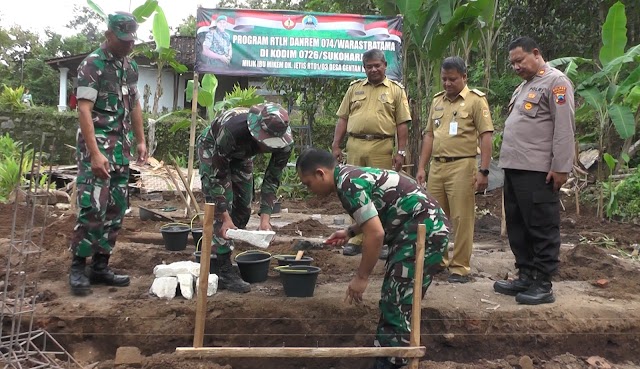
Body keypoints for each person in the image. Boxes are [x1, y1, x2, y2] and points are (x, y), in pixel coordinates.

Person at [296, 148, 449, 369]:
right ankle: (388, 358)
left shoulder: (348, 185)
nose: (309, 190)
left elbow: (376, 234)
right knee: (395, 298)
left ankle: (392, 363)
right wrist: (349, 232)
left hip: (423, 230)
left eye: (308, 183)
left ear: (321, 174)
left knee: (397, 301)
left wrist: (361, 277)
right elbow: (377, 209)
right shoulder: (348, 176)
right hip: (417, 228)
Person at [69, 12, 147, 296]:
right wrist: (94, 153)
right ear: (109, 35)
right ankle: (78, 267)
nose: (128, 45)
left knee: (115, 208)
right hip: (98, 150)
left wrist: (140, 140)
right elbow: (84, 109)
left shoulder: (131, 66)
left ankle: (101, 266)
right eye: (123, 40)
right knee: (92, 206)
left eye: (131, 40)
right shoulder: (92, 65)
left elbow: (135, 105)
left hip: (121, 150)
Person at [494, 37, 575, 305]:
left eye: (520, 60)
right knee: (518, 225)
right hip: (515, 168)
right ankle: (526, 274)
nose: (516, 66)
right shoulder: (524, 86)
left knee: (541, 226)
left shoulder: (556, 82)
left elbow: (564, 128)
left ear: (536, 53)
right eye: (513, 63)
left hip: (538, 171)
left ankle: (543, 282)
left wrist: (561, 167)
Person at [198, 102, 293, 293]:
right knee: (222, 208)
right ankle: (223, 269)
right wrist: (224, 216)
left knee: (242, 209)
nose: (267, 148)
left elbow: (272, 179)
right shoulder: (232, 130)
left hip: (242, 155)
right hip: (214, 149)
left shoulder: (284, 142)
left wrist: (265, 219)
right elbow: (218, 176)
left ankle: (223, 250)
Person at [415, 56, 494, 284]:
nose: (447, 84)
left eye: (452, 79)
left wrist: (484, 170)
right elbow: (429, 135)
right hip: (437, 167)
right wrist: (422, 166)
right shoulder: (437, 101)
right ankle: (439, 261)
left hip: (463, 165)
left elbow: (486, 135)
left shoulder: (476, 101)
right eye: (444, 79)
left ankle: (459, 266)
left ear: (464, 77)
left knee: (461, 218)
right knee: (435, 216)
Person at [332, 48, 412, 258]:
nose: (374, 69)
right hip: (355, 145)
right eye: (369, 66)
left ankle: (383, 239)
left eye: (378, 65)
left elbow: (402, 124)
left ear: (385, 66)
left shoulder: (396, 90)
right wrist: (336, 145)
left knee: (380, 193)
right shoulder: (354, 89)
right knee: (353, 192)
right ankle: (356, 238)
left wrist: (401, 151)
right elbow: (343, 118)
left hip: (381, 147)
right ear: (364, 68)